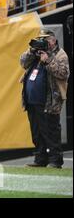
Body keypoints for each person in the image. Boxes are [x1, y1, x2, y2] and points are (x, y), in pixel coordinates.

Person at [20, 29, 70, 168]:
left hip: (49, 101)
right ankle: (40, 159)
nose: (42, 42)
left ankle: (55, 160)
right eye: (40, 39)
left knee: (51, 131)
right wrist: (32, 51)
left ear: (53, 40)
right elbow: (22, 63)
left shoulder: (60, 55)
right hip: (32, 100)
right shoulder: (36, 53)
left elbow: (63, 73)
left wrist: (48, 61)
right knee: (36, 132)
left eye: (45, 39)